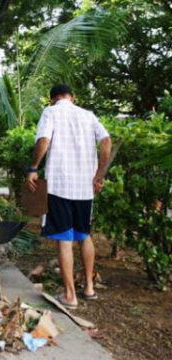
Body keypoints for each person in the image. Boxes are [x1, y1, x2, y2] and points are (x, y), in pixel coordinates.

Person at [27, 84, 111, 309]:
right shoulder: (88, 115)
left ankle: (70, 296)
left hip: (60, 185)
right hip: (85, 187)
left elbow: (43, 140)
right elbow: (106, 142)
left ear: (52, 99)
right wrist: (99, 176)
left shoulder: (51, 112)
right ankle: (89, 288)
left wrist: (33, 167)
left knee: (65, 239)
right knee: (84, 235)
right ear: (72, 97)